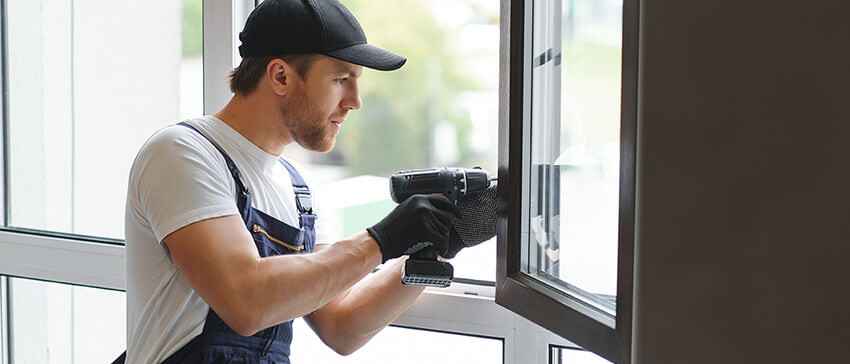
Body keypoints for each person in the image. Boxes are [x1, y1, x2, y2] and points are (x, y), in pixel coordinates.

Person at [121, 0, 466, 363]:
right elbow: (245, 300)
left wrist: (433, 246)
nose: (355, 102)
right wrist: (382, 239)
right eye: (340, 80)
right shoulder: (183, 153)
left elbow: (341, 326)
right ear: (281, 76)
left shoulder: (297, 191)